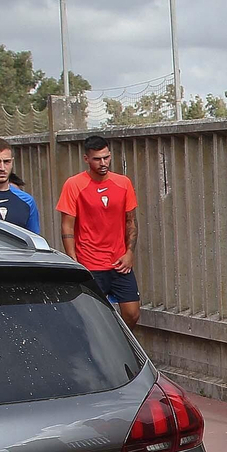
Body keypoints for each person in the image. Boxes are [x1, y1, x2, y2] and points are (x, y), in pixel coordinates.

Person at [57, 135, 141, 326]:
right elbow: (67, 226)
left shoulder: (123, 183)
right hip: (90, 263)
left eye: (106, 157)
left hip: (120, 263)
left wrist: (129, 253)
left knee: (132, 314)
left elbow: (131, 221)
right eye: (97, 159)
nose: (103, 163)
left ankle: (121, 350)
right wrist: (74, 261)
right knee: (91, 319)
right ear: (86, 159)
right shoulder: (74, 184)